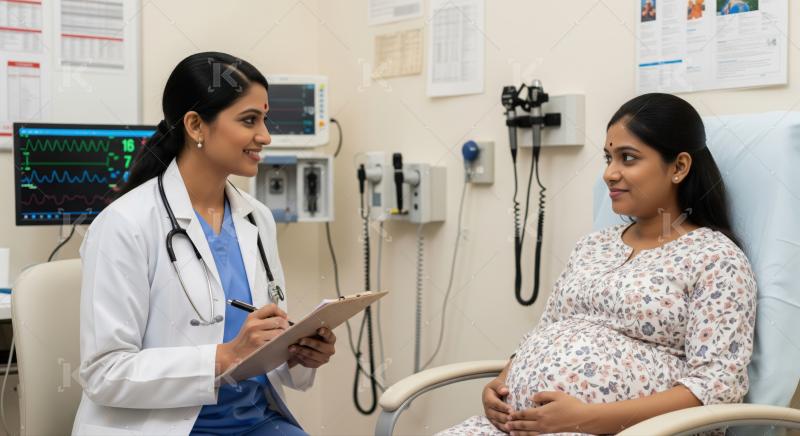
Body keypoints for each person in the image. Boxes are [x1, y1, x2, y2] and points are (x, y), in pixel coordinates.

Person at [437, 93, 757, 435]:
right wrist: (500, 385)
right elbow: (545, 331)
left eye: (628, 159)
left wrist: (584, 417)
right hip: (521, 427)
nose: (609, 173)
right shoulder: (593, 245)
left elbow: (718, 386)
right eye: (608, 158)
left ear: (678, 167)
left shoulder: (715, 259)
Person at [73, 52, 336, 435]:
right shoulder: (125, 224)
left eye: (264, 119)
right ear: (196, 126)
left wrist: (296, 353)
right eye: (249, 120)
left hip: (255, 420)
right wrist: (223, 357)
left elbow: (261, 349)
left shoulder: (256, 217)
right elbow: (104, 373)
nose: (265, 135)